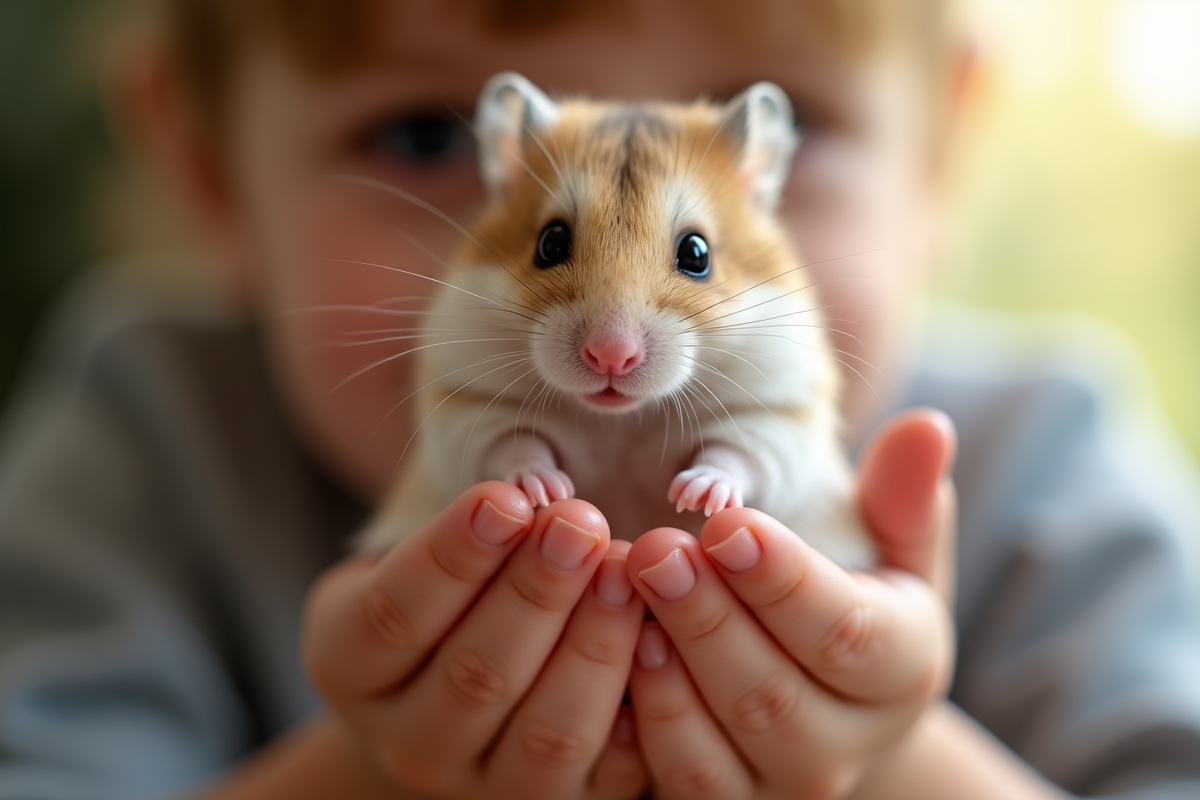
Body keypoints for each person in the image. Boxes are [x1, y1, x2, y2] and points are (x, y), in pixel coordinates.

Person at [0, 0, 1197, 798]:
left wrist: (887, 747)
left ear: (936, 158)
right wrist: (369, 760)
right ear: (211, 173)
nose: (615, 344)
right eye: (422, 133)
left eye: (686, 253)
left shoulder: (1046, 461)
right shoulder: (146, 440)